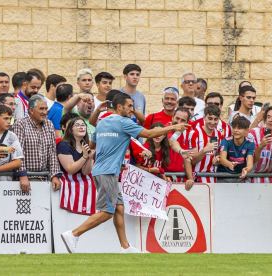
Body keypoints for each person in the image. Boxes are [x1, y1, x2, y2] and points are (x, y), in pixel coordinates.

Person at [60, 93, 188, 254]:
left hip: (102, 170)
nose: (132, 110)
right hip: (106, 173)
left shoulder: (102, 122)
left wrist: (115, 162)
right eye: (129, 106)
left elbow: (94, 145)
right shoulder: (125, 122)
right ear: (119, 107)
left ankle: (125, 247)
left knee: (119, 207)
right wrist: (173, 127)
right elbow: (148, 134)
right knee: (107, 212)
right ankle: (73, 234)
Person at [12, 94, 62, 194]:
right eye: (41, 109)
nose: (45, 112)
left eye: (46, 109)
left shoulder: (49, 124)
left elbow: (52, 152)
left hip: (45, 177)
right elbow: (18, 152)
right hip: (27, 178)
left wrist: (55, 175)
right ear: (31, 110)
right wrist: (22, 175)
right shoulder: (20, 124)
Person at [57, 117, 96, 215]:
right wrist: (84, 157)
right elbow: (70, 169)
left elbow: (85, 172)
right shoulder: (63, 145)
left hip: (84, 182)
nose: (81, 127)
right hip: (69, 182)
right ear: (70, 129)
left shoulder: (86, 145)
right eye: (77, 125)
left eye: (83, 125)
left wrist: (90, 158)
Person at [0, 106, 23, 181]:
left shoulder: (12, 136)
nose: (9, 122)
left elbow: (17, 162)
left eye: (10, 118)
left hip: (5, 181)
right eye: (5, 118)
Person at [189, 104, 224, 183]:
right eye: (210, 118)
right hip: (196, 178)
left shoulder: (219, 134)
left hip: (212, 178)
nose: (212, 122)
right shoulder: (195, 133)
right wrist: (205, 150)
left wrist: (218, 160)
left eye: (215, 119)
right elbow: (193, 161)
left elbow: (218, 155)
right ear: (204, 117)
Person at [217, 116, 255, 183]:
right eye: (234, 127)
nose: (235, 130)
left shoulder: (250, 143)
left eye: (239, 128)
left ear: (246, 131)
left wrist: (247, 170)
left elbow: (250, 164)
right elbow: (222, 159)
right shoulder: (226, 141)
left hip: (240, 177)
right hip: (224, 176)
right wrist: (229, 164)